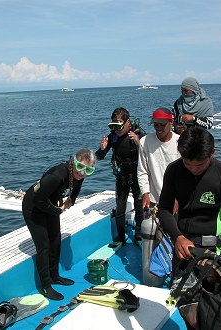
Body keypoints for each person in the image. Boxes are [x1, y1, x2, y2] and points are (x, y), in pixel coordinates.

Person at [158, 127, 221, 261]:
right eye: (187, 164)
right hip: (183, 246)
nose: (193, 169)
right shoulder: (174, 171)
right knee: (179, 282)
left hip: (213, 250)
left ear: (212, 153)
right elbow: (164, 209)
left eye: (199, 165)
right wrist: (177, 237)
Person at [22, 148, 96, 301]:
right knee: (44, 246)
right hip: (33, 207)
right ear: (72, 162)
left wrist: (71, 200)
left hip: (49, 205)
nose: (82, 173)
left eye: (88, 170)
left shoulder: (77, 175)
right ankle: (45, 285)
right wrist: (56, 211)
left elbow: (77, 185)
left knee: (55, 241)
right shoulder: (57, 176)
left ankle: (54, 276)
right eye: (80, 167)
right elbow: (38, 200)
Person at [95, 107, 145, 246]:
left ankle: (139, 235)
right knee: (120, 207)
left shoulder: (138, 134)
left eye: (118, 124)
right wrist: (102, 149)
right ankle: (120, 237)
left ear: (128, 122)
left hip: (137, 175)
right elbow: (99, 157)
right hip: (121, 176)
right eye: (113, 125)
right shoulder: (113, 137)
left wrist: (139, 143)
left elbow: (150, 154)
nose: (116, 129)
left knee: (139, 205)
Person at [137, 107, 181, 211]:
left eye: (162, 124)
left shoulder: (179, 142)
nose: (159, 128)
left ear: (171, 122)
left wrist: (178, 197)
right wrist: (145, 193)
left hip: (177, 198)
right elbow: (142, 171)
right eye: (156, 124)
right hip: (154, 199)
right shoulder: (145, 141)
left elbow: (184, 174)